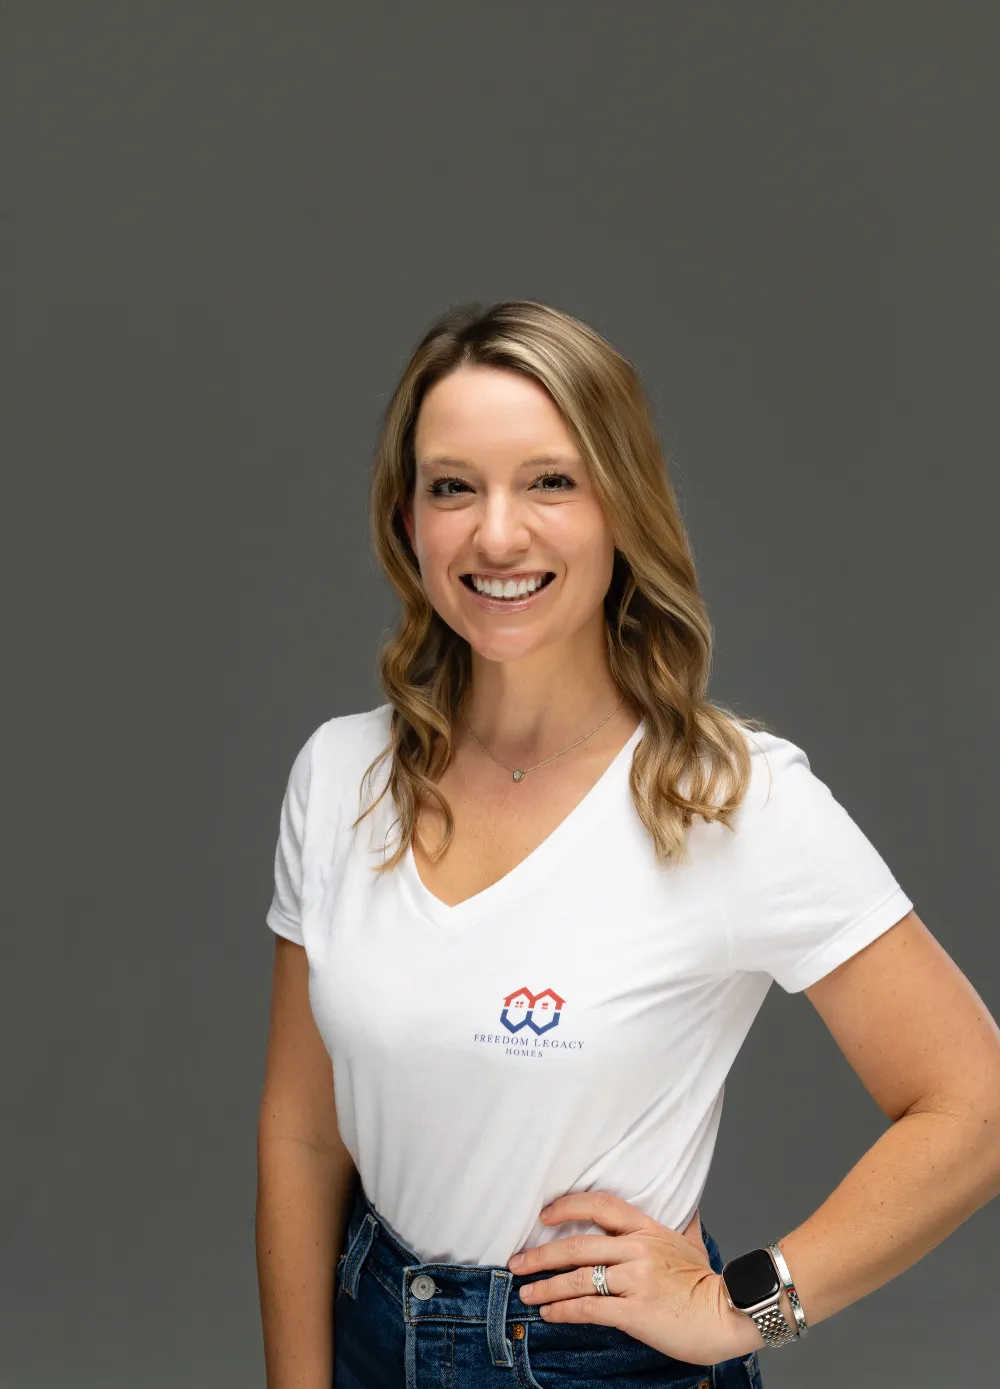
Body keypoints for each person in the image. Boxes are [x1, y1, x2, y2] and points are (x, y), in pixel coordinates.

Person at [255, 301, 1000, 1389]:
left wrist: (743, 1307)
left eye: (549, 482)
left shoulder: (728, 800)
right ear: (406, 520)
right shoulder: (338, 777)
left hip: (602, 1366)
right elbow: (303, 1136)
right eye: (452, 485)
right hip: (368, 1331)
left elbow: (974, 1104)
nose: (495, 534)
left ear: (621, 508)